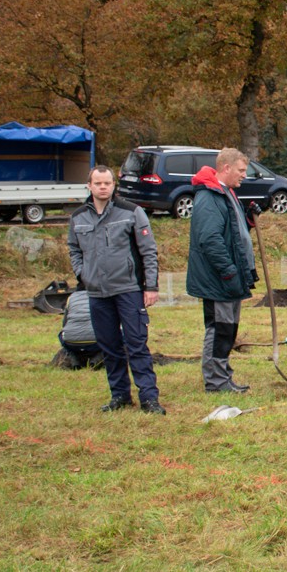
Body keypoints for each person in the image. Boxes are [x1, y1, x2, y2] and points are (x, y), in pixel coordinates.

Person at [67, 165, 164, 414]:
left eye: (107, 183)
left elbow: (148, 251)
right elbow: (74, 249)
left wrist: (151, 286)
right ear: (89, 186)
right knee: (109, 346)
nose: (103, 187)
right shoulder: (78, 217)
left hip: (128, 289)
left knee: (136, 344)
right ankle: (119, 395)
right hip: (97, 293)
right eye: (98, 183)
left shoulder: (131, 212)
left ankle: (149, 398)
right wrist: (83, 275)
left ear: (113, 185)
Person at [187, 148, 257, 394]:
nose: (244, 175)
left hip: (230, 276)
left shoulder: (226, 192)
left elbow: (232, 231)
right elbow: (210, 239)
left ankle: (223, 376)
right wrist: (228, 271)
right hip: (218, 278)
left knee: (228, 328)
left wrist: (248, 219)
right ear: (226, 168)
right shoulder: (209, 197)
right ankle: (216, 382)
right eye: (241, 170)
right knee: (219, 329)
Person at [54, 289, 104, 370]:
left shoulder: (71, 297)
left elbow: (64, 324)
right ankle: (96, 361)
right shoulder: (101, 295)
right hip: (95, 342)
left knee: (61, 335)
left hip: (71, 343)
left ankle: (74, 361)